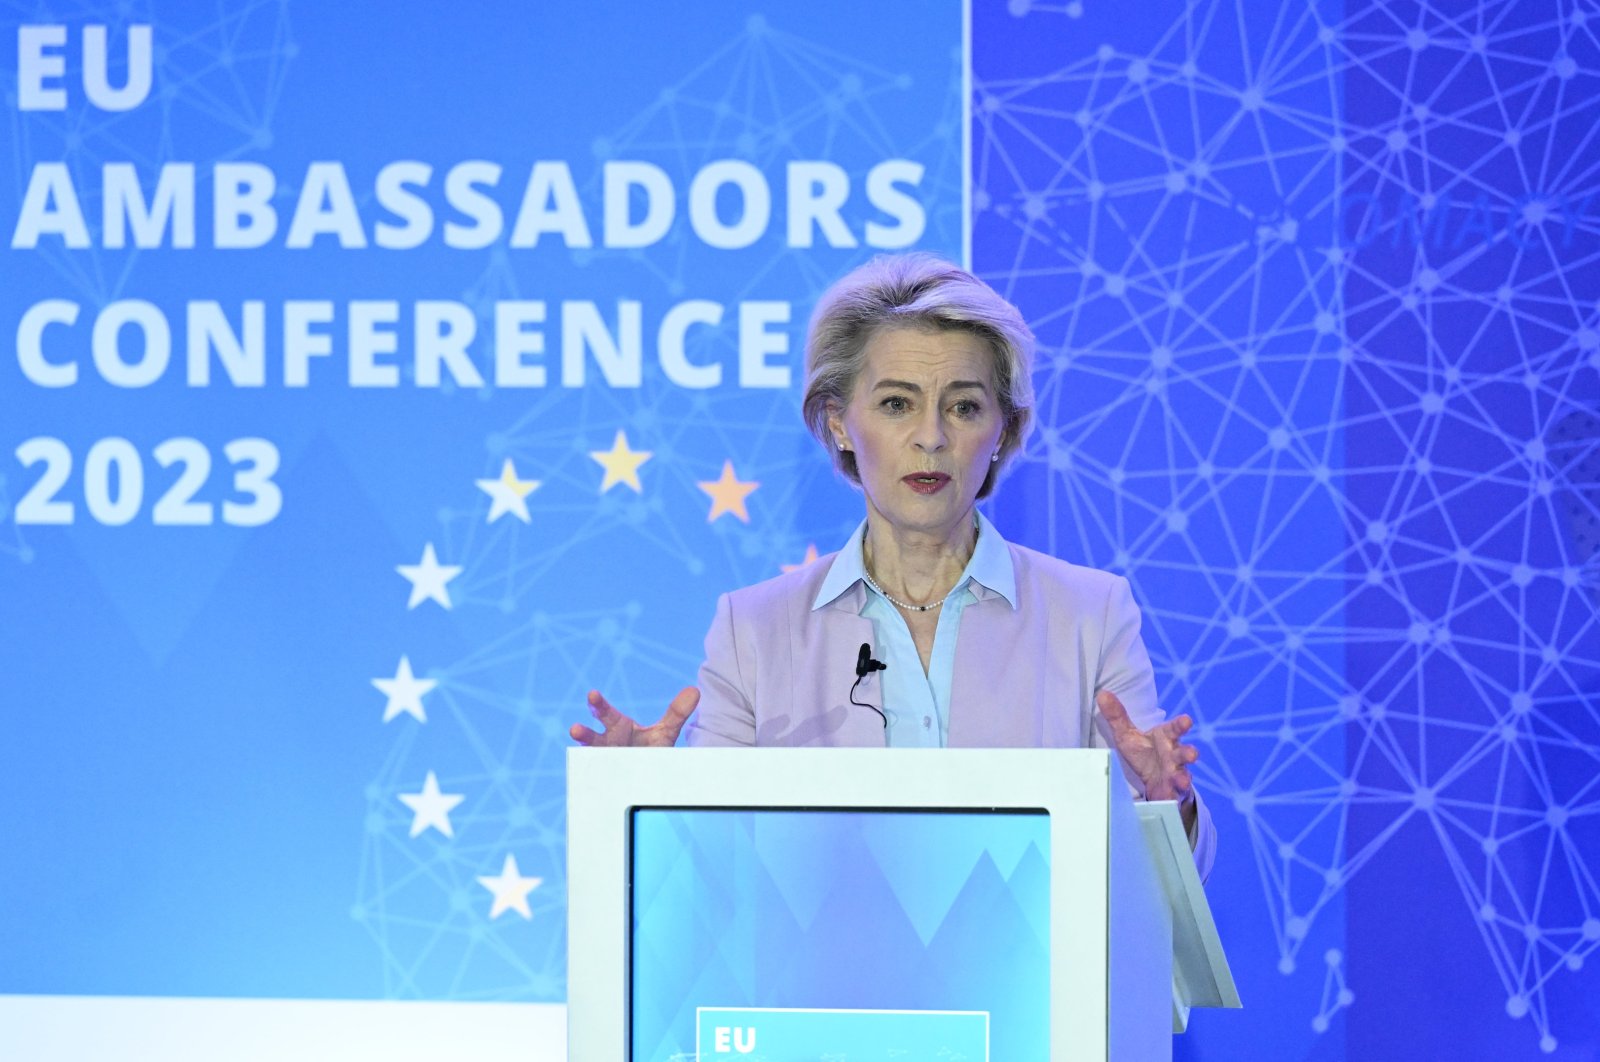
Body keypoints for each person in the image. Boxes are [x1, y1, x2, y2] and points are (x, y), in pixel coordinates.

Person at [571, 252, 1215, 879]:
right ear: (839, 423)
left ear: (1004, 431)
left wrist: (1167, 806)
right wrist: (645, 806)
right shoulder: (754, 631)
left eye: (964, 407)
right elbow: (719, 876)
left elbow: (1162, 885)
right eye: (896, 404)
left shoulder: (1089, 614)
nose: (931, 436)